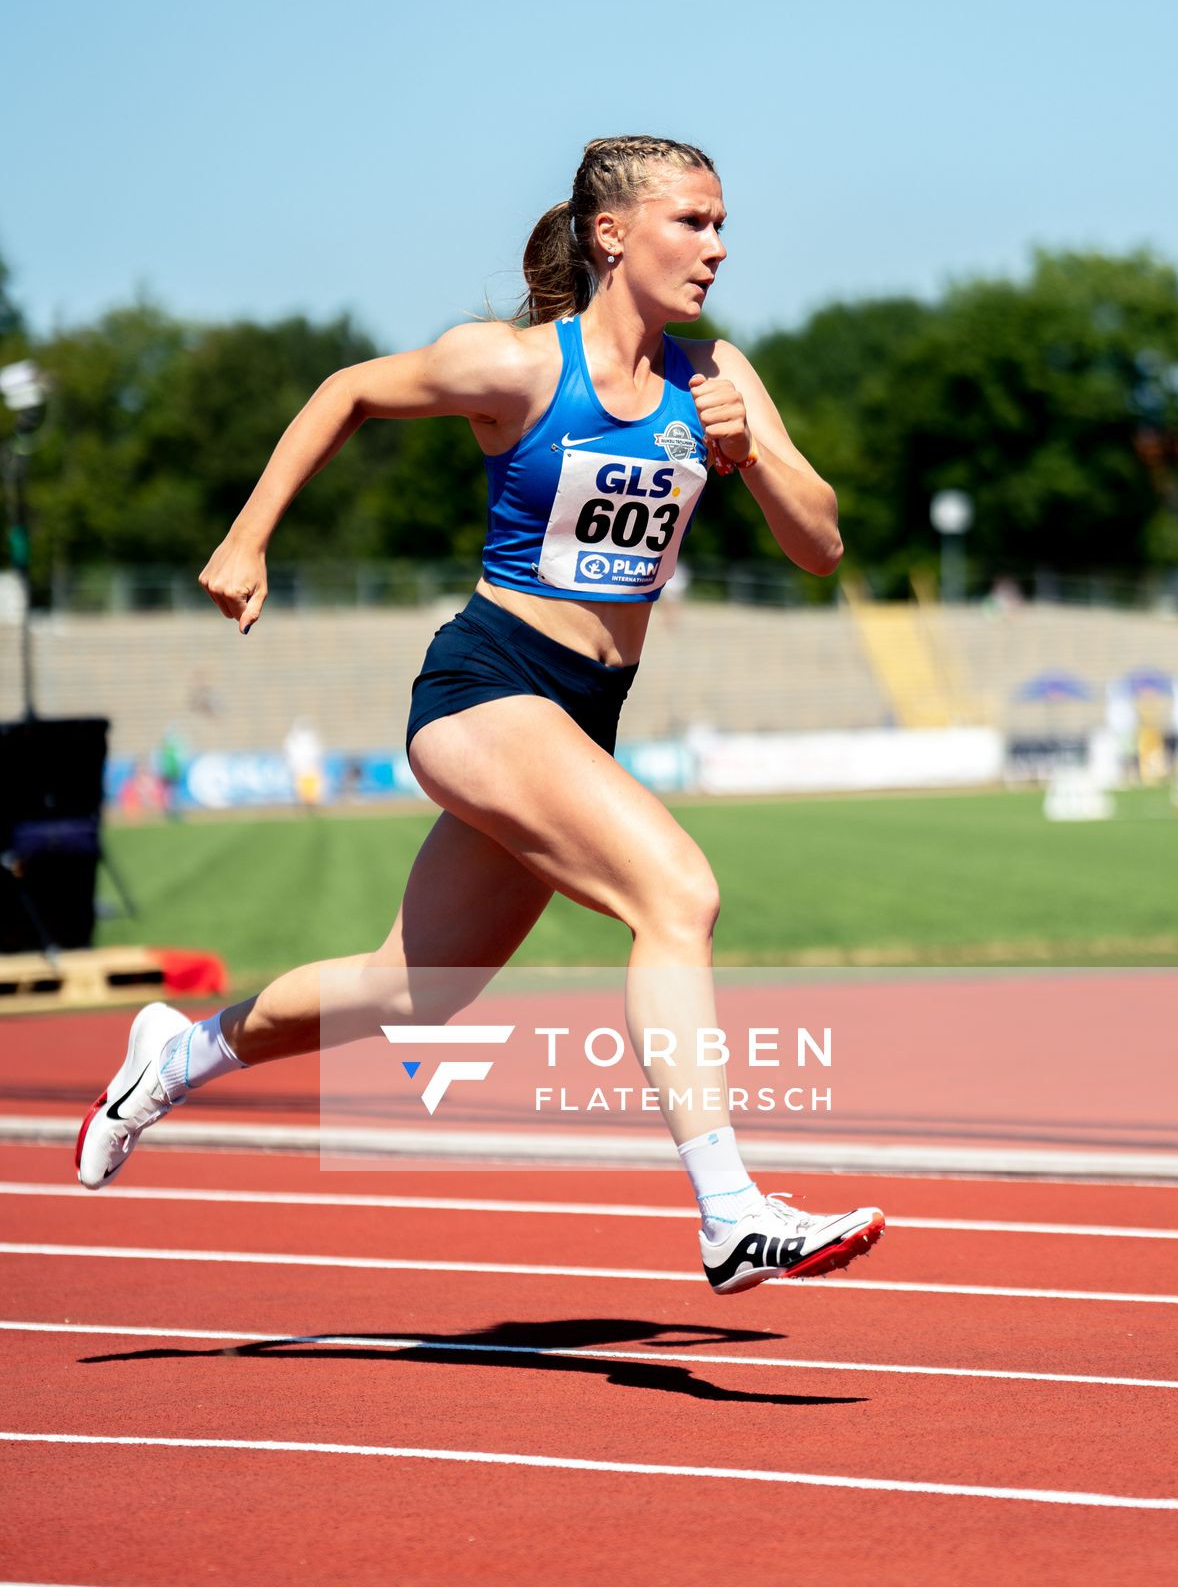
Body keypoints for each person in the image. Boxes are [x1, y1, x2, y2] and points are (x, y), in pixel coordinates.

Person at [76, 135, 885, 1295]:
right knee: (676, 893)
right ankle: (729, 1212)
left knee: (414, 990)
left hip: (580, 715)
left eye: (720, 224)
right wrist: (247, 539)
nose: (716, 247)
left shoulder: (716, 374)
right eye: (691, 222)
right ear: (612, 234)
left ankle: (174, 1054)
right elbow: (349, 390)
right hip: (485, 687)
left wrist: (746, 451)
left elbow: (819, 546)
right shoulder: (514, 367)